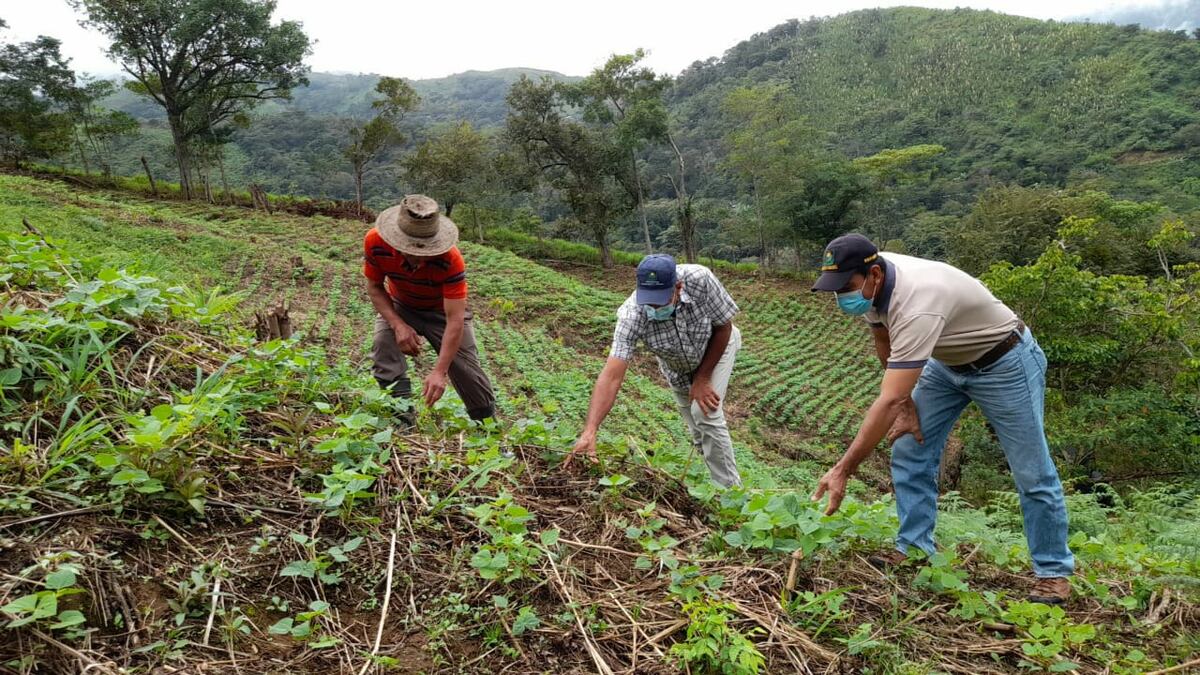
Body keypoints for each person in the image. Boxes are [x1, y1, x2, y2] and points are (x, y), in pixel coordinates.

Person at [808, 233, 1074, 604]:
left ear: (875, 275)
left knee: (1031, 470)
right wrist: (906, 406)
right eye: (835, 289)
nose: (841, 296)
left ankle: (1053, 571)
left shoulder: (919, 302)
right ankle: (915, 547)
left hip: (1004, 362)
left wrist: (843, 469)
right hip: (945, 364)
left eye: (845, 287)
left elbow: (888, 398)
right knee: (909, 446)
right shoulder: (871, 280)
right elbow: (883, 338)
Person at [565, 254, 743, 488]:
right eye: (649, 301)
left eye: (660, 301)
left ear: (678, 287)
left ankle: (732, 493)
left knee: (705, 413)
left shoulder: (700, 279)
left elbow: (723, 327)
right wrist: (590, 430)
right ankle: (712, 487)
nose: (654, 308)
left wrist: (702, 378)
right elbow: (611, 376)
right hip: (678, 368)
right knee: (700, 435)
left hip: (716, 348)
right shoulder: (632, 315)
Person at [363, 194, 496, 424]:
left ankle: (488, 427)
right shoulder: (375, 242)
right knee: (383, 346)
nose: (419, 259)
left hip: (441, 312)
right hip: (402, 305)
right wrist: (398, 325)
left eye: (426, 251)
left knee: (467, 370)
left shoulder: (451, 259)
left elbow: (455, 319)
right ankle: (401, 420)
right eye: (412, 250)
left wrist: (439, 372)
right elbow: (374, 287)